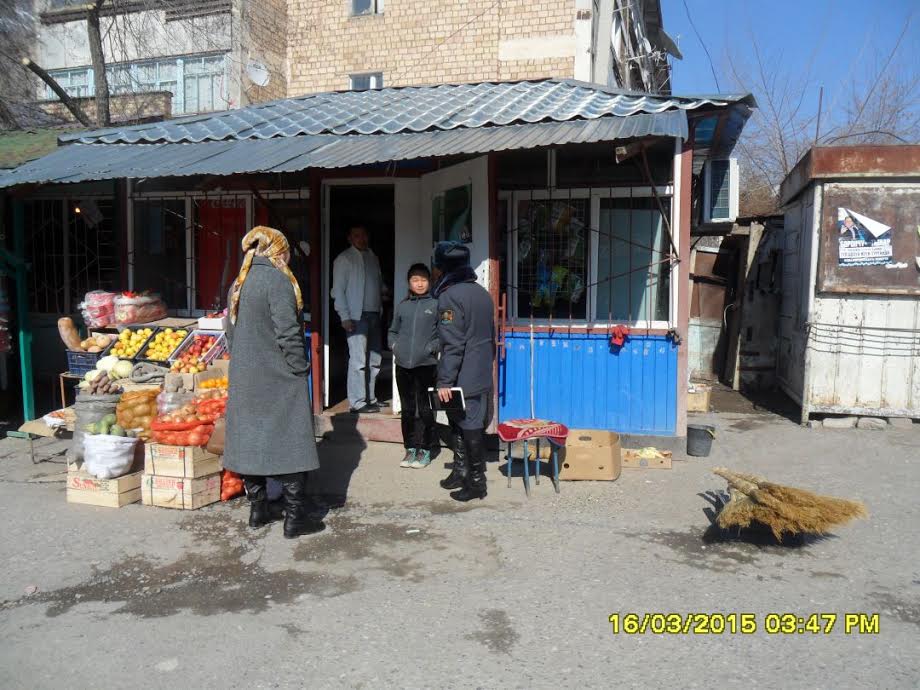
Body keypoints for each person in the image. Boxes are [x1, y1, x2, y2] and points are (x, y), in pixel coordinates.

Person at [223, 226, 321, 539]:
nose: (289, 256)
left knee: (250, 443)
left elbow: (229, 332)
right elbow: (288, 332)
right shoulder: (278, 281)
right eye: (287, 250)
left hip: (246, 377)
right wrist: (300, 368)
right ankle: (293, 519)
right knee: (290, 445)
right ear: (277, 250)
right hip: (278, 377)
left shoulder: (239, 282)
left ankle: (258, 510)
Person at [432, 241, 496, 502]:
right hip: (480, 370)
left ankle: (477, 483)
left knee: (468, 425)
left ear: (442, 268)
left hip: (462, 374)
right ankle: (460, 472)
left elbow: (453, 344)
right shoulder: (482, 293)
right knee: (459, 421)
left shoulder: (449, 296)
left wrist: (445, 381)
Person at [388, 263, 440, 469]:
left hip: (426, 365)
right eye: (415, 280)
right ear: (409, 283)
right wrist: (394, 346)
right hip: (402, 366)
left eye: (423, 280)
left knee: (425, 409)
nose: (419, 284)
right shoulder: (402, 306)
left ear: (430, 282)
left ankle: (425, 449)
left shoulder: (436, 305)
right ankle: (410, 448)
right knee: (408, 409)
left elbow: (444, 334)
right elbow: (392, 331)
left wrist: (431, 348)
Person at [331, 225, 384, 413]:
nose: (361, 238)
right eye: (356, 235)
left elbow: (378, 284)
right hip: (356, 316)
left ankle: (370, 398)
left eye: (363, 235)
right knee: (358, 360)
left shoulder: (373, 257)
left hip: (374, 314)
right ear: (350, 238)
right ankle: (357, 402)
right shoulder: (344, 259)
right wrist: (344, 317)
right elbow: (337, 291)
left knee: (374, 359)